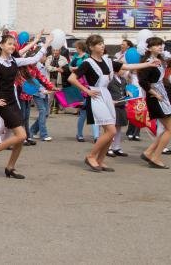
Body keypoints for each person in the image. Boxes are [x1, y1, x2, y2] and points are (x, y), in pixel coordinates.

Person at [68, 34, 158, 172]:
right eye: (99, 44)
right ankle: (91, 156)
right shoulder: (87, 63)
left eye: (102, 43)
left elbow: (127, 66)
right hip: (96, 96)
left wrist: (148, 64)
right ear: (91, 47)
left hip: (106, 95)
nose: (102, 45)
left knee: (110, 130)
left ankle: (100, 160)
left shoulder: (108, 61)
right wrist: (87, 90)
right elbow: (72, 78)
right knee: (111, 130)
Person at [0, 34, 53, 179]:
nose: (12, 46)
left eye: (14, 44)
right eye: (9, 44)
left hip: (13, 101)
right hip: (2, 102)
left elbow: (33, 59)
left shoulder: (14, 61)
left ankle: (10, 167)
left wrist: (46, 44)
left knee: (19, 138)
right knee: (22, 135)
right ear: (1, 46)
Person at [137, 37, 171, 169]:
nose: (160, 47)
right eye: (156, 45)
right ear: (149, 48)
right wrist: (155, 93)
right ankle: (155, 157)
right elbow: (142, 81)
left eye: (161, 45)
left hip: (161, 96)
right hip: (155, 98)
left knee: (166, 129)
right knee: (169, 129)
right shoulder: (148, 62)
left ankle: (149, 152)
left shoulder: (160, 60)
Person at [69, 40, 95, 142]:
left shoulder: (87, 57)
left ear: (80, 47)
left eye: (77, 47)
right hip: (77, 82)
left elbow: (85, 68)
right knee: (83, 111)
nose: (76, 49)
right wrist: (72, 68)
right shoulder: (75, 56)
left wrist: (76, 68)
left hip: (86, 83)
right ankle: (79, 134)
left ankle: (96, 135)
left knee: (90, 112)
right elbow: (70, 65)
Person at [107, 68, 129, 158]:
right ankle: (108, 148)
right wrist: (110, 100)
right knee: (111, 128)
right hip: (112, 106)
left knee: (119, 127)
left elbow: (123, 90)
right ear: (116, 70)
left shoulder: (123, 80)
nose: (124, 71)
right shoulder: (110, 80)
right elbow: (105, 91)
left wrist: (127, 92)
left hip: (121, 105)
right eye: (122, 69)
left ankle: (117, 147)